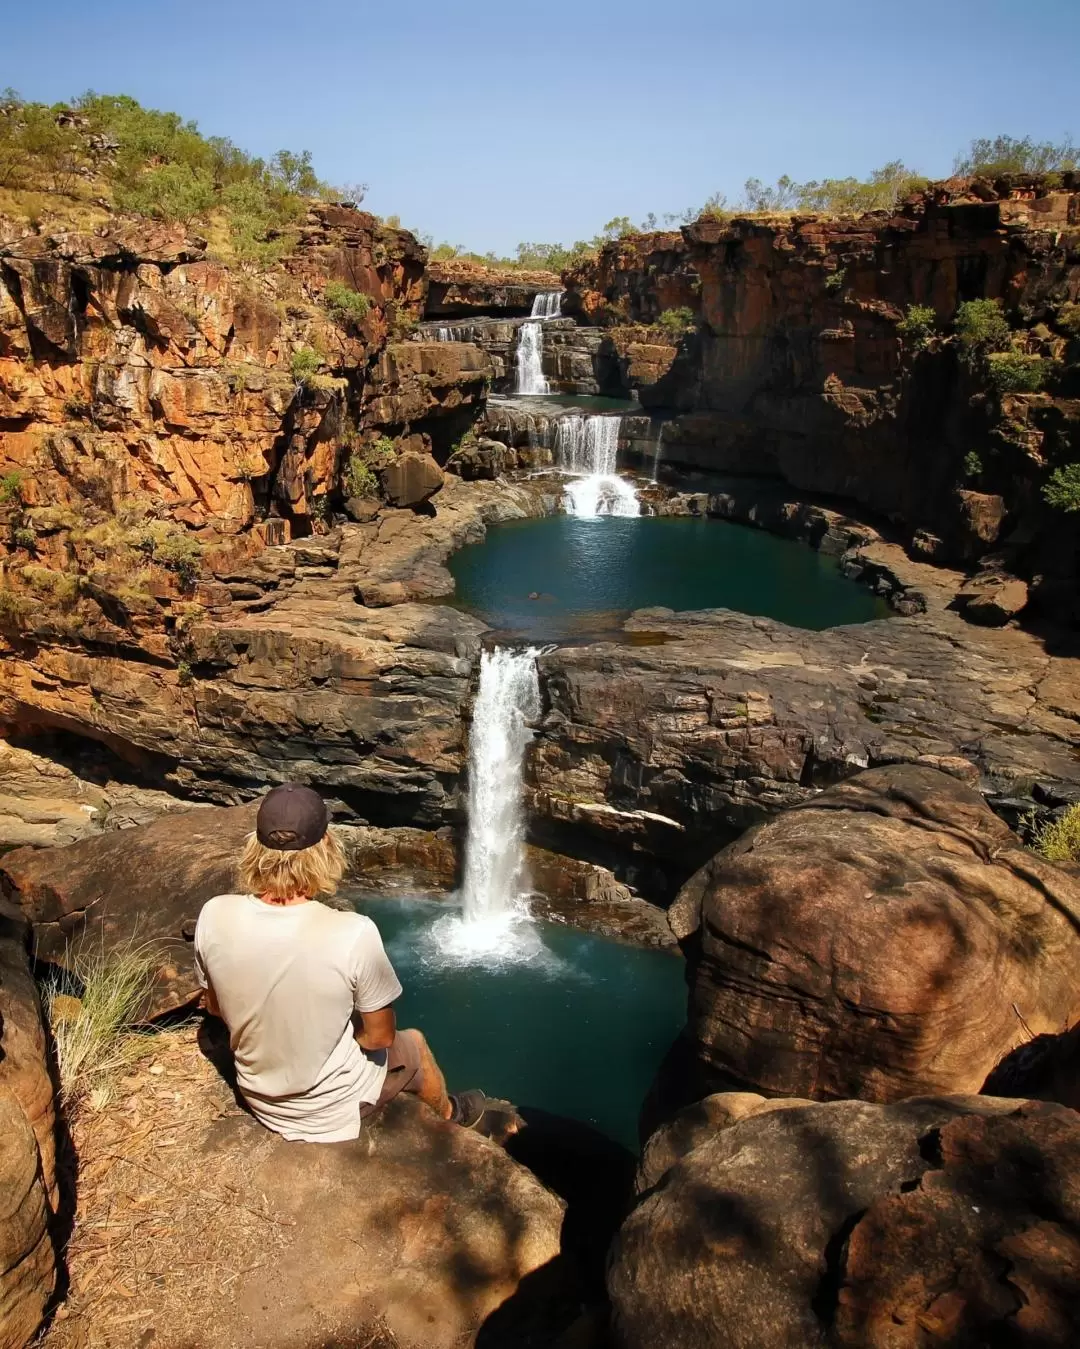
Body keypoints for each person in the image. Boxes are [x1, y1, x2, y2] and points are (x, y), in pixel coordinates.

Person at [194, 782, 503, 1142]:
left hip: (257, 1094)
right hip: (328, 1109)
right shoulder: (353, 932)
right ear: (326, 847)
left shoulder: (214, 914)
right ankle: (453, 1118)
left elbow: (216, 1008)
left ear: (255, 847)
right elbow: (380, 1037)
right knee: (414, 1044)